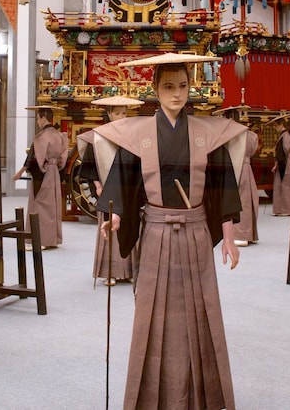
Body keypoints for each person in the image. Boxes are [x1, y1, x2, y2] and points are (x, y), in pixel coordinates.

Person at [85, 53, 245, 410]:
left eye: (183, 86)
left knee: (200, 311)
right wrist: (117, 217)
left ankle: (201, 397)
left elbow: (222, 188)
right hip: (156, 232)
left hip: (196, 232)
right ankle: (150, 398)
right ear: (155, 90)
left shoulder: (208, 133)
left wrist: (229, 235)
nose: (177, 94)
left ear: (192, 88)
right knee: (153, 313)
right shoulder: (138, 134)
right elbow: (124, 182)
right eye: (168, 86)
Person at [81, 95, 142, 285]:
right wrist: (98, 186)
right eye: (117, 113)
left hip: (128, 188)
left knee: (130, 225)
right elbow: (89, 165)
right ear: (109, 114)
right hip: (107, 188)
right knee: (110, 229)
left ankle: (131, 270)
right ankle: (110, 272)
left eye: (124, 112)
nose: (121, 116)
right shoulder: (98, 136)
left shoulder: (132, 136)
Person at [13, 105, 68, 249]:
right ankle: (53, 239)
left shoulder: (41, 137)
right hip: (55, 171)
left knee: (39, 204)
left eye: (38, 118)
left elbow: (33, 157)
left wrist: (20, 172)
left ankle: (40, 240)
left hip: (44, 172)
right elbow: (63, 159)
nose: (37, 121)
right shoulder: (59, 136)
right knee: (52, 205)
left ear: (43, 118)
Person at [213, 105, 259, 246]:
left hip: (232, 166)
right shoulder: (250, 134)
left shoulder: (227, 134)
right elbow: (252, 150)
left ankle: (240, 234)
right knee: (247, 199)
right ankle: (248, 234)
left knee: (237, 200)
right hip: (246, 168)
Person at [271, 114, 290, 216]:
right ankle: (281, 208)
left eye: (275, 126)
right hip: (282, 162)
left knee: (285, 186)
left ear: (280, 125)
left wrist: (277, 165)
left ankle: (286, 209)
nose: (275, 128)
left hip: (284, 163)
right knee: (282, 186)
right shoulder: (283, 136)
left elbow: (283, 152)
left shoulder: (285, 136)